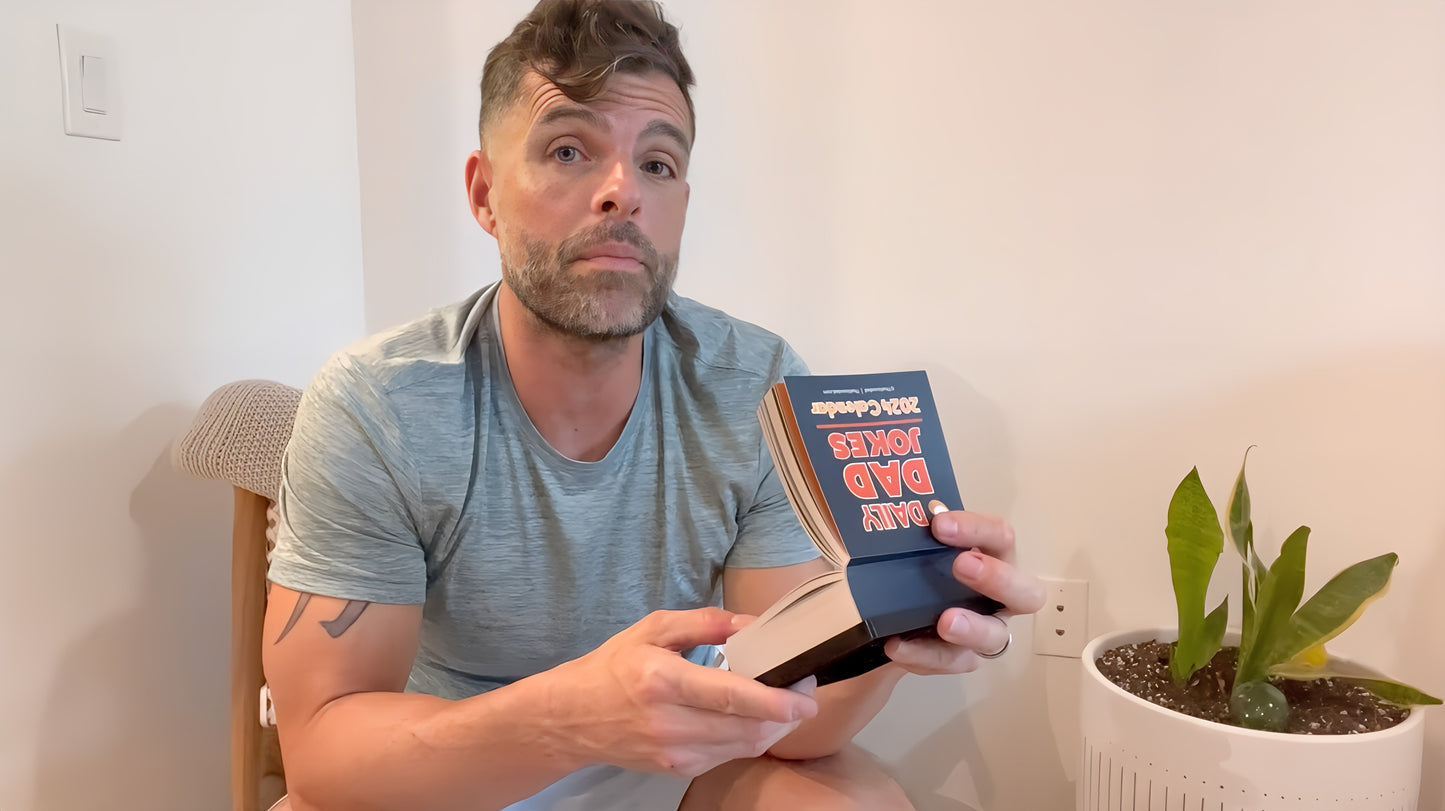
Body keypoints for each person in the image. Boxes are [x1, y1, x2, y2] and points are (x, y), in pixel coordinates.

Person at [262, 1, 1046, 809]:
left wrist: (890, 630)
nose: (621, 192)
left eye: (658, 164)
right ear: (484, 193)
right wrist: (570, 720)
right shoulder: (378, 403)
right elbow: (322, 747)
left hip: (690, 745)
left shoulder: (757, 383)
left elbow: (795, 719)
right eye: (569, 150)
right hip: (458, 760)